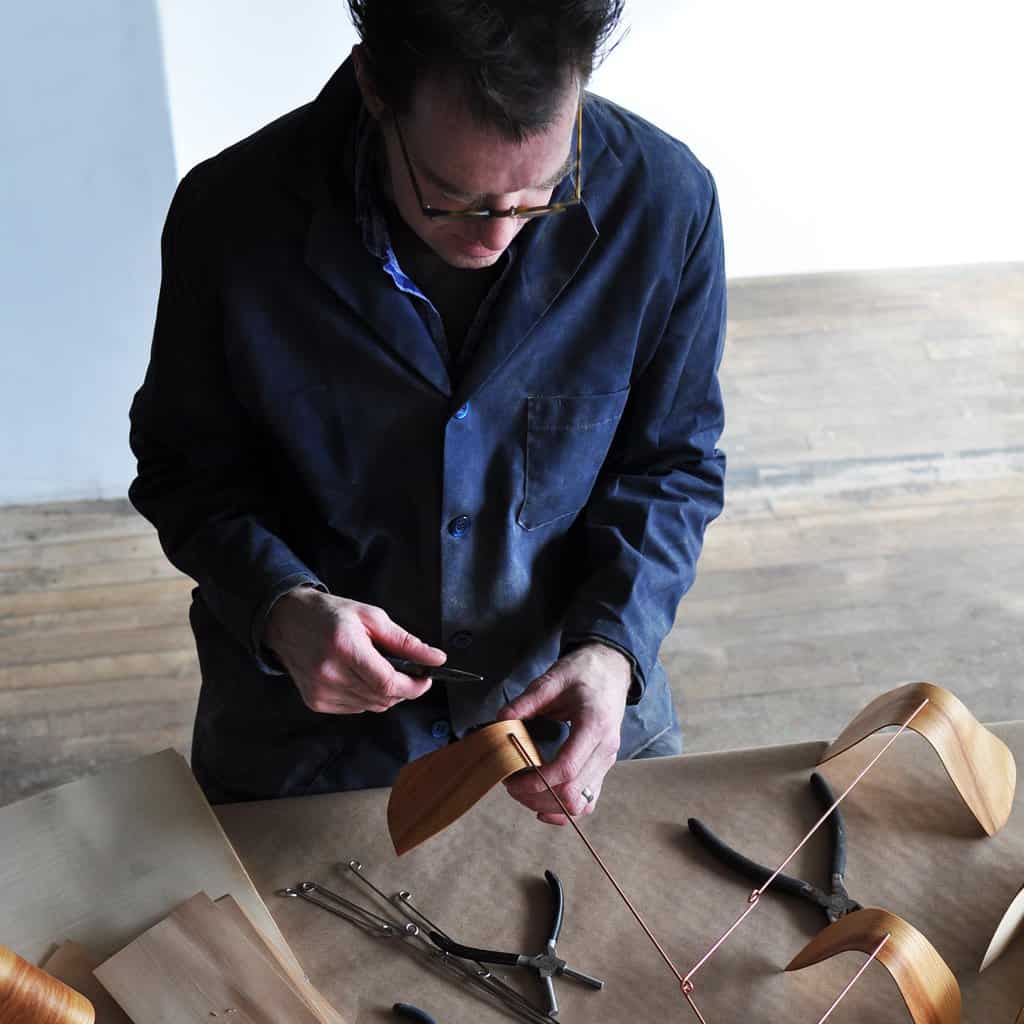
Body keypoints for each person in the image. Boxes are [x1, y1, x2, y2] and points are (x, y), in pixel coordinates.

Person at [128, 0, 726, 822]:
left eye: (540, 197)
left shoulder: (666, 204)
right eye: (451, 198)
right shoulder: (228, 219)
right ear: (376, 88)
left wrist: (615, 646)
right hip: (312, 741)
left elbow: (671, 464)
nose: (496, 236)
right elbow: (183, 472)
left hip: (568, 712)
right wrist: (280, 606)